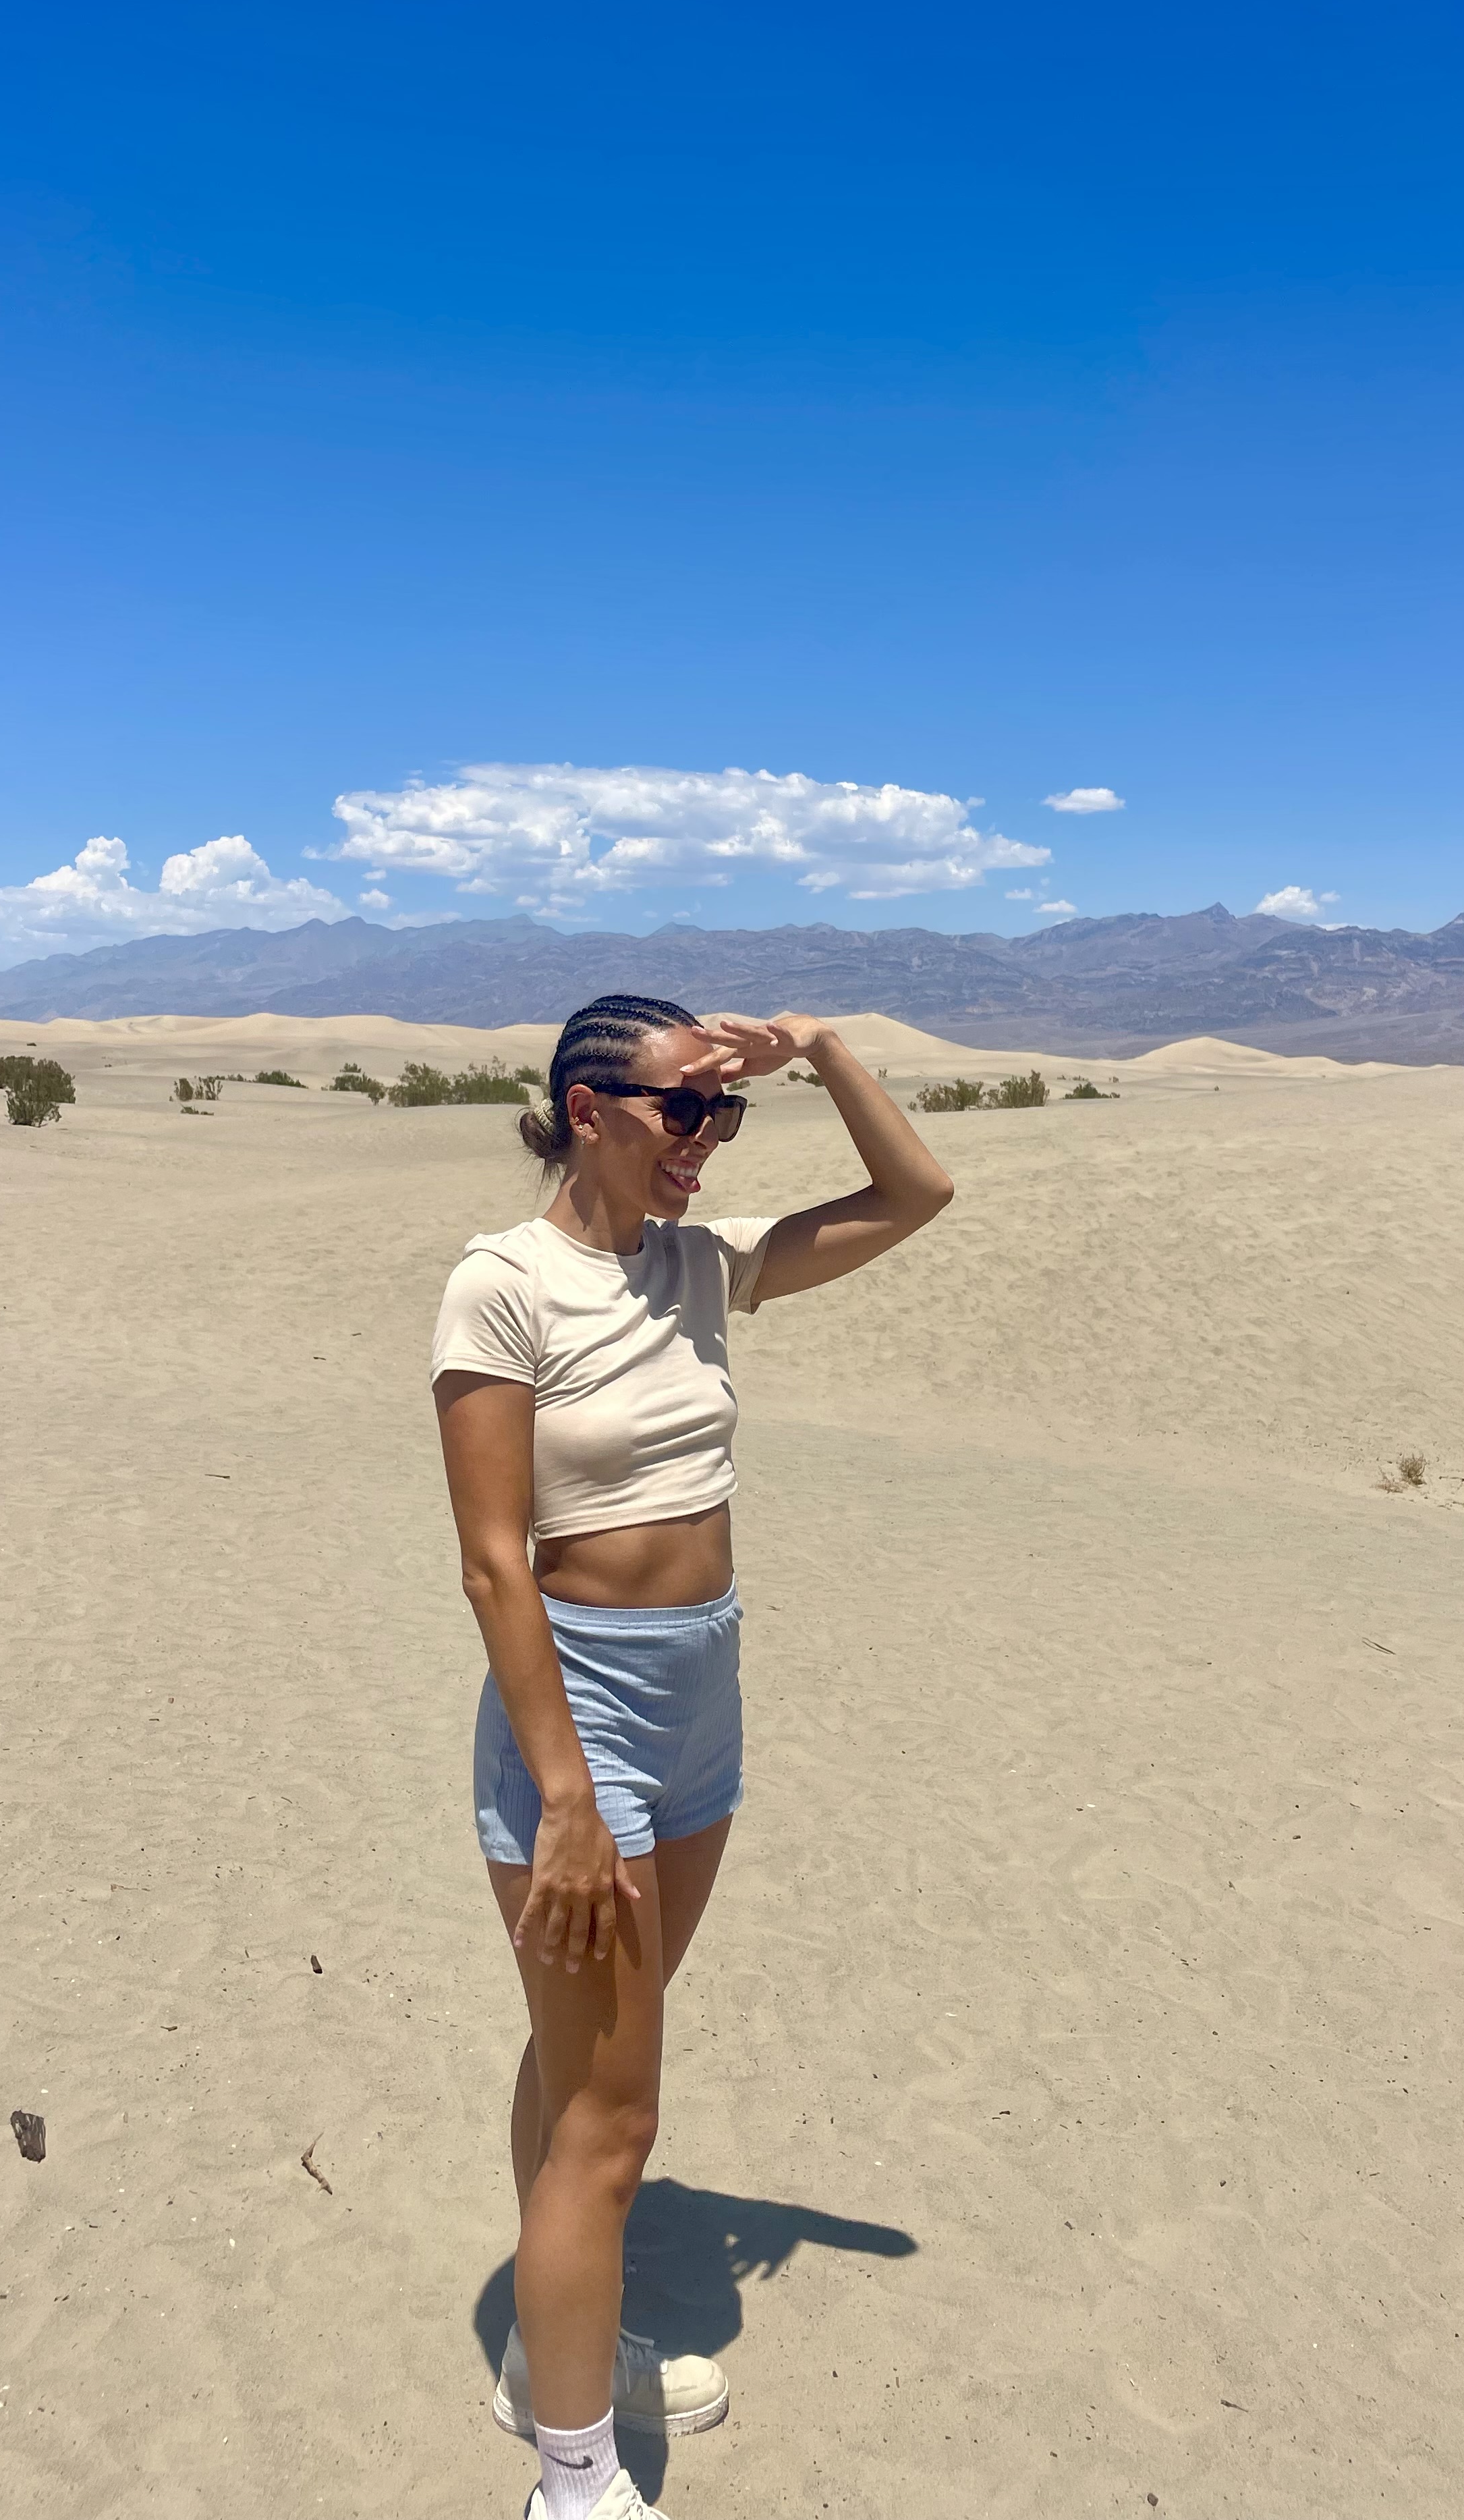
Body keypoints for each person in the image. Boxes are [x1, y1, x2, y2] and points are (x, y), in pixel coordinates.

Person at [431, 992, 953, 2520]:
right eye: (684, 1110)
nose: (709, 1140)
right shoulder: (503, 1284)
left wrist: (823, 1052)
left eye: (725, 1113)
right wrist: (568, 1795)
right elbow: (493, 1563)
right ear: (587, 1111)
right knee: (619, 2118)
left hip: (700, 1700)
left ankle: (555, 2346)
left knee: (584, 2068)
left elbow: (916, 1194)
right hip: (580, 1713)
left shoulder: (701, 1265)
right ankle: (575, 2483)